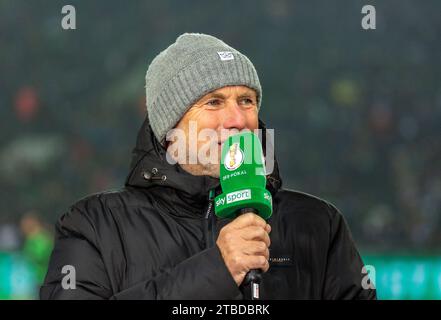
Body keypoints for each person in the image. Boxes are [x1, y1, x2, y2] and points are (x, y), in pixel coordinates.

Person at [41, 33, 376, 300]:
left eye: (247, 100)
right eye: (213, 102)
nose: (236, 119)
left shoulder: (319, 225)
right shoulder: (94, 226)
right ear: (169, 131)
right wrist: (216, 270)